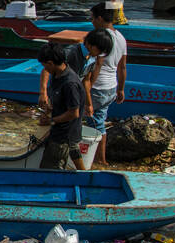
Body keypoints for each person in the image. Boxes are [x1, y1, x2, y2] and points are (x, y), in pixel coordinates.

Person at [37, 41, 83, 169]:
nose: (45, 70)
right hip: (59, 130)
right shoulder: (56, 75)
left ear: (50, 63)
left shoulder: (70, 83)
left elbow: (74, 113)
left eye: (45, 66)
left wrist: (52, 121)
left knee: (50, 169)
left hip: (64, 135)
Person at [81, 29, 117, 166]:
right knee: (99, 124)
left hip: (98, 89)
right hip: (111, 86)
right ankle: (101, 160)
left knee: (84, 121)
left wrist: (88, 96)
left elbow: (96, 68)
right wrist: (120, 89)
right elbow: (122, 66)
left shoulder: (99, 41)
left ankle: (87, 159)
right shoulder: (119, 37)